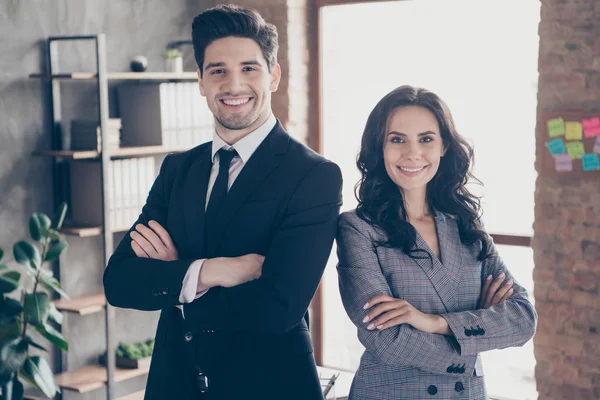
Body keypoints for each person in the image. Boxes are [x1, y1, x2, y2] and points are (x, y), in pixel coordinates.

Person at [103, 5, 342, 399]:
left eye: (249, 68)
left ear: (274, 76)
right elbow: (120, 281)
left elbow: (278, 307)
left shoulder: (313, 175)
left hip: (269, 384)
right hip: (174, 381)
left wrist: (177, 277)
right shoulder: (177, 170)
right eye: (218, 71)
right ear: (200, 80)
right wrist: (213, 271)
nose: (234, 85)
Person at [336, 85, 537, 399]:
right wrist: (473, 336)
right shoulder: (358, 228)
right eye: (397, 139)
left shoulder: (466, 225)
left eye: (426, 139)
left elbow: (523, 318)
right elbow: (387, 340)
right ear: (380, 147)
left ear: (444, 146)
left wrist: (433, 322)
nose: (412, 153)